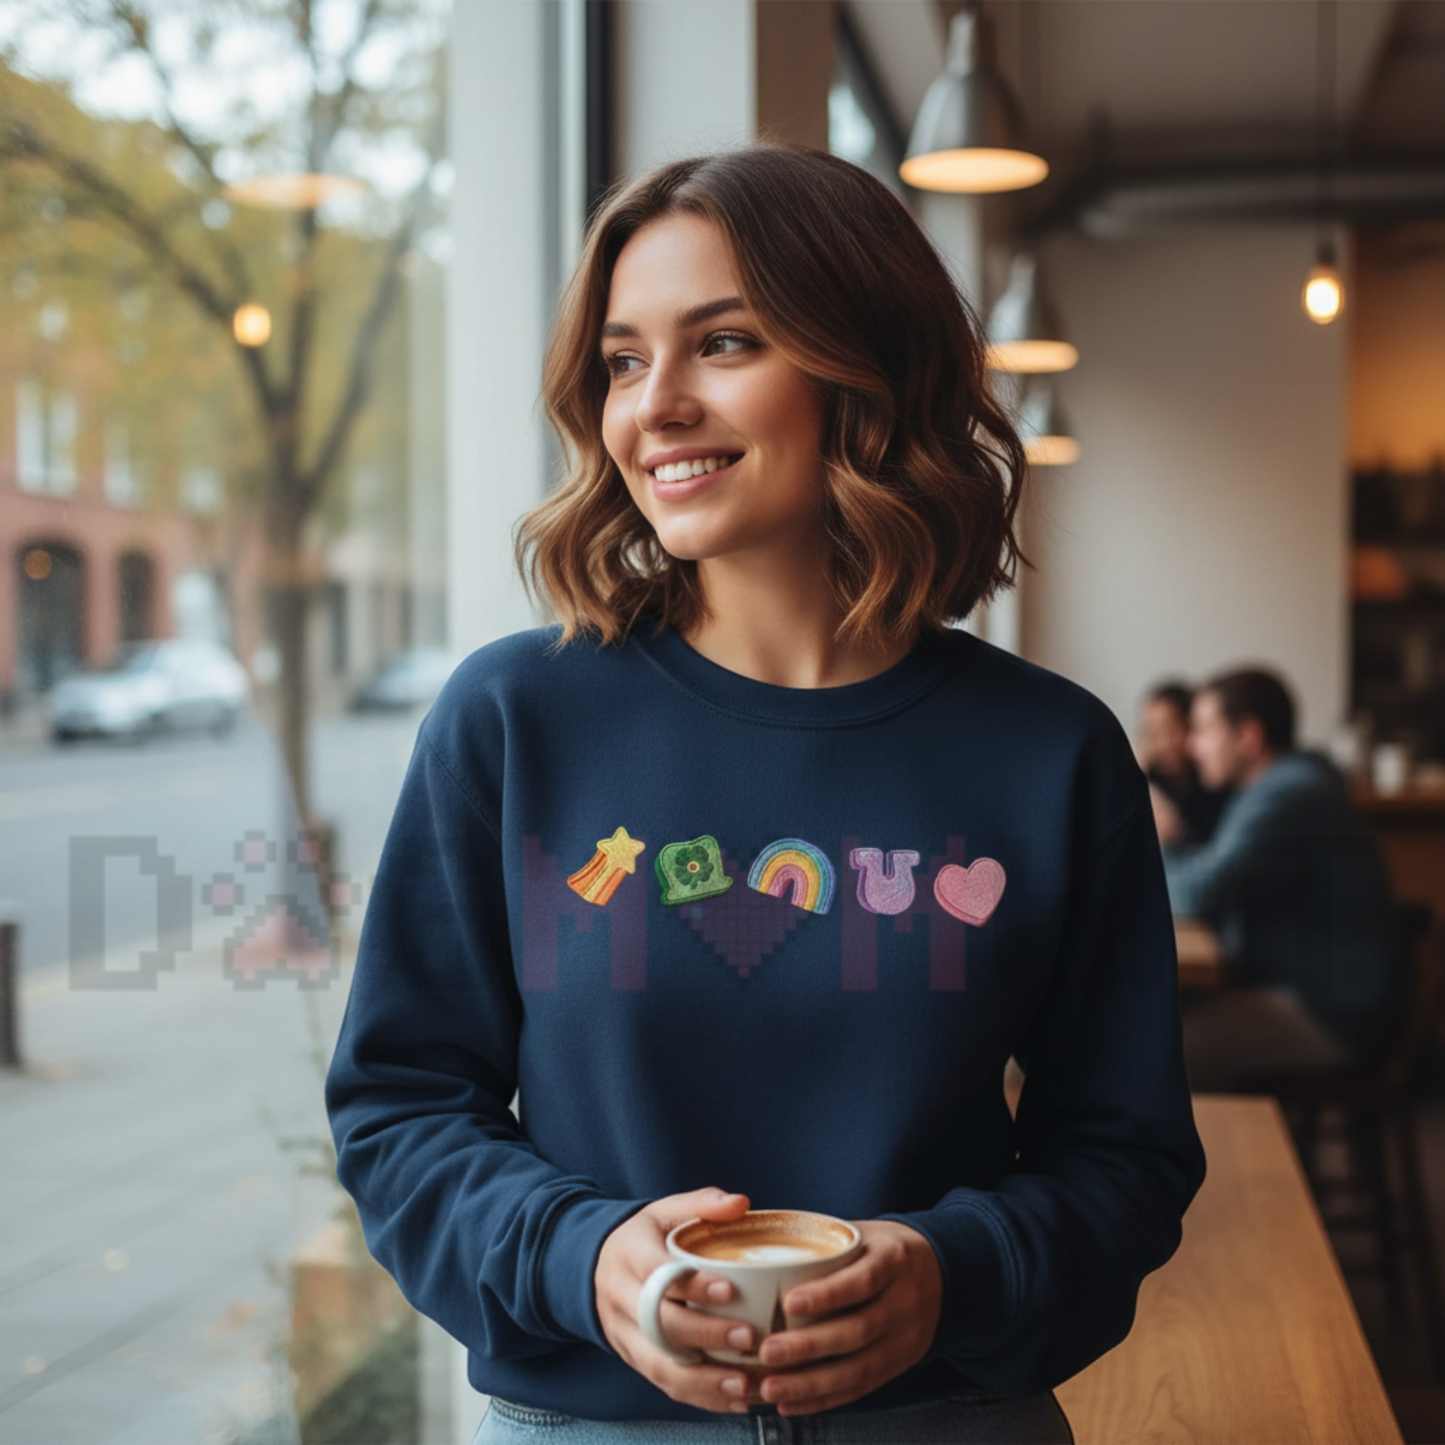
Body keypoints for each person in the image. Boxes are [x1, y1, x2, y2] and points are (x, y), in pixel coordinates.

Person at [326, 146, 1204, 1442]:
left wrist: (948, 1273)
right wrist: (585, 1254)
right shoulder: (513, 720)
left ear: (867, 372)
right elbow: (399, 1108)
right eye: (624, 361)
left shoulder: (1051, 752)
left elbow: (1126, 1160)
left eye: (722, 343)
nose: (655, 404)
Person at [1163, 668, 1396, 1091]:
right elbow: (1215, 876)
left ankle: (1220, 1157)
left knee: (1153, 1049)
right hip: (1316, 995)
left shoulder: (1287, 794)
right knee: (1151, 1026)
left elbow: (1199, 893)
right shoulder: (1278, 786)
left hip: (1332, 1014)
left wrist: (1161, 839)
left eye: (1203, 730)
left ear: (1249, 736)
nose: (1193, 747)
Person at [1140, 680, 1227, 846]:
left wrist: (1176, 832)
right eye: (1153, 733)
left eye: (1171, 730)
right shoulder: (1147, 782)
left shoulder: (1216, 780)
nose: (1163, 744)